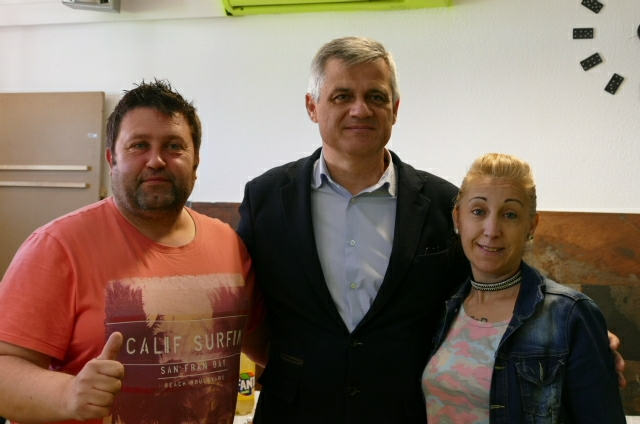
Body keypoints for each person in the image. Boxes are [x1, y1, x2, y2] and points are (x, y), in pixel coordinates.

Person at [238, 36, 626, 424]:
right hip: (292, 413)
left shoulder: (443, 202)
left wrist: (575, 331)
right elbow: (246, 313)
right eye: (342, 96)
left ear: (394, 109)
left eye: (376, 96)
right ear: (312, 106)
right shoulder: (265, 199)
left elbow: (491, 277)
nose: (360, 109)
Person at [0, 80, 256, 424]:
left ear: (195, 161)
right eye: (139, 145)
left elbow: (265, 345)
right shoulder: (56, 247)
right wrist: (67, 394)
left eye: (174, 146)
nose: (156, 160)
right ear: (112, 159)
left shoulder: (229, 245)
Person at [422, 153, 626, 423]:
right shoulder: (439, 304)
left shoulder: (568, 315)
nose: (491, 230)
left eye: (510, 214)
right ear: (458, 218)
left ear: (531, 225)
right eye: (478, 211)